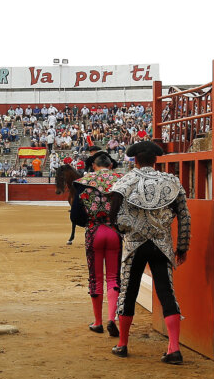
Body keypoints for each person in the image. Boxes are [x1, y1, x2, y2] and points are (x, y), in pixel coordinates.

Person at [108, 141, 191, 363]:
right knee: (166, 292)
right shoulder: (170, 182)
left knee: (129, 291)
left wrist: (124, 230)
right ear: (156, 160)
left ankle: (122, 344)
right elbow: (184, 214)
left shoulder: (125, 181)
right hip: (161, 245)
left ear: (135, 160)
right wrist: (182, 246)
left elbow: (113, 213)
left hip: (134, 245)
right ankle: (174, 348)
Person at [70, 150, 123, 335]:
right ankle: (112, 318)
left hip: (94, 233)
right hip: (115, 232)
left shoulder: (84, 183)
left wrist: (89, 223)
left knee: (96, 278)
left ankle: (98, 322)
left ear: (94, 166)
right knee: (113, 277)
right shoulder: (121, 180)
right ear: (110, 165)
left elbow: (75, 215)